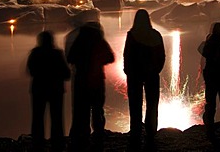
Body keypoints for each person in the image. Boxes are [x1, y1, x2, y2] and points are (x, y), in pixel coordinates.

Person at [66, 21, 115, 150]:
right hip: (97, 81)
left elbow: (70, 58)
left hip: (81, 81)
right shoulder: (99, 41)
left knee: (83, 111)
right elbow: (110, 57)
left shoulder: (79, 41)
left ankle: (83, 138)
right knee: (98, 110)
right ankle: (98, 136)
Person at [123, 9, 165, 147]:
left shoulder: (132, 35)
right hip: (152, 74)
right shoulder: (156, 35)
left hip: (134, 75)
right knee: (152, 104)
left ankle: (135, 132)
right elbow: (162, 56)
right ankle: (151, 131)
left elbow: (127, 55)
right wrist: (155, 70)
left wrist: (128, 71)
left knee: (135, 105)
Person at [26, 30, 71, 151]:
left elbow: (30, 71)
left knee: (37, 118)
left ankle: (38, 144)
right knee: (57, 118)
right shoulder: (57, 54)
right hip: (56, 90)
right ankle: (57, 144)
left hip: (38, 90)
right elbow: (67, 74)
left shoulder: (35, 53)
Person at [198, 22, 220, 135]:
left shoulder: (208, 45)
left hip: (211, 77)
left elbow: (200, 49)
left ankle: (209, 126)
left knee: (210, 102)